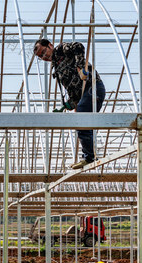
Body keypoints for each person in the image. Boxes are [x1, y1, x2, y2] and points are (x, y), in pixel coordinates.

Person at [34, 38, 107, 170]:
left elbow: (78, 46)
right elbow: (73, 92)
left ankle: (89, 157)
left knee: (81, 120)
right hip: (83, 95)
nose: (44, 57)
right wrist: (67, 105)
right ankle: (89, 155)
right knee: (80, 122)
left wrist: (80, 67)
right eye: (41, 56)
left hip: (93, 87)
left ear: (50, 45)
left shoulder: (62, 50)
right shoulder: (56, 68)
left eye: (44, 52)